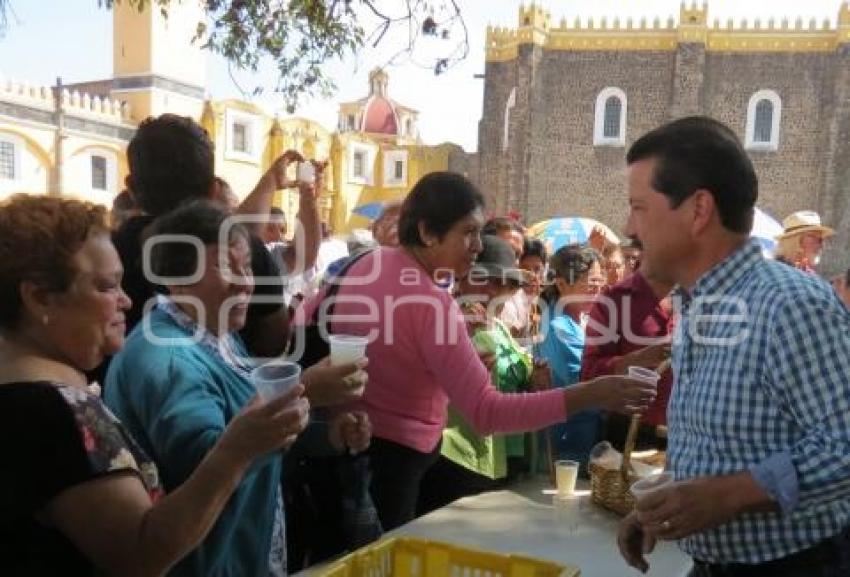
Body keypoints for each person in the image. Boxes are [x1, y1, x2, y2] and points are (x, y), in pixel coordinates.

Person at [296, 171, 657, 531]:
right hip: (391, 464)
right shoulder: (431, 302)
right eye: (467, 233)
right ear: (426, 232)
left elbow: (310, 324)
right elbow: (486, 413)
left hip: (333, 452)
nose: (479, 246)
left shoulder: (368, 263)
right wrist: (592, 393)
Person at [0, 195, 310, 577]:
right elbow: (140, 555)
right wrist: (237, 449)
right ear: (40, 297)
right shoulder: (56, 412)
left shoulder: (30, 390)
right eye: (105, 286)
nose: (126, 300)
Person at [617, 116, 850, 576]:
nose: (629, 226)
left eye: (639, 207)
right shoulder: (700, 304)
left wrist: (728, 495)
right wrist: (670, 502)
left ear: (698, 210)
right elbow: (729, 443)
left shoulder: (789, 305)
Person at [104, 201, 369, 577]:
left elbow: (245, 428)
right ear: (177, 277)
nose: (246, 282)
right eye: (227, 266)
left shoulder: (217, 335)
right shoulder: (168, 358)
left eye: (246, 267)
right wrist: (305, 391)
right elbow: (208, 465)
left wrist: (326, 437)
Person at [417, 235, 551, 514]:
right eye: (485, 278)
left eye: (508, 282)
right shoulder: (445, 319)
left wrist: (534, 379)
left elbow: (516, 382)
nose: (495, 289)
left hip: (500, 458)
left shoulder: (500, 328)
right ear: (463, 277)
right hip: (455, 458)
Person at [581, 260, 674, 451]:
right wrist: (640, 358)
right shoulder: (614, 299)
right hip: (632, 436)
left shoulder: (704, 294)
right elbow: (588, 374)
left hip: (693, 437)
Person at [537, 244, 607, 474]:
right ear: (561, 284)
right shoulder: (559, 327)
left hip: (585, 436)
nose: (596, 290)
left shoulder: (580, 319)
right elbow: (585, 376)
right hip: (568, 442)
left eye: (599, 282)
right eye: (589, 283)